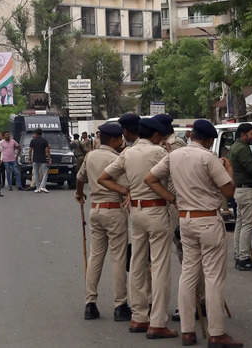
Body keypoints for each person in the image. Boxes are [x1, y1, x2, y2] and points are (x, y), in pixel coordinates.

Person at [147, 119, 241, 348]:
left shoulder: (174, 155)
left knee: (188, 274)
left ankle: (187, 331)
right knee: (212, 277)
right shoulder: (208, 157)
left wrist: (172, 199)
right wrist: (229, 171)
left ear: (191, 135)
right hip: (208, 219)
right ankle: (216, 333)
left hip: (186, 219)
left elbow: (150, 179)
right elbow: (228, 190)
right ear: (209, 140)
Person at [99, 115, 178, 339]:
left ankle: (139, 317)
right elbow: (172, 179)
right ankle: (158, 321)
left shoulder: (128, 152)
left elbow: (104, 178)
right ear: (155, 135)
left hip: (136, 211)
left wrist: (126, 191)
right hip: (157, 209)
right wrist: (173, 198)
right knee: (160, 266)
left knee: (137, 264)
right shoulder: (159, 153)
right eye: (162, 136)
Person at [75, 122, 132, 322]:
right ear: (115, 140)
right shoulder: (117, 159)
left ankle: (90, 303)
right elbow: (126, 186)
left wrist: (79, 193)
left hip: (95, 210)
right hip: (114, 211)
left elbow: (79, 177)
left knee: (95, 257)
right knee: (118, 258)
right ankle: (120, 304)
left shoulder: (90, 156)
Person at [226, 123, 252, 271]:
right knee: (248, 224)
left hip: (240, 190)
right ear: (243, 134)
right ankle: (244, 258)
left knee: (241, 223)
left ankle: (239, 254)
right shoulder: (241, 148)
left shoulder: (237, 147)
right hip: (246, 190)